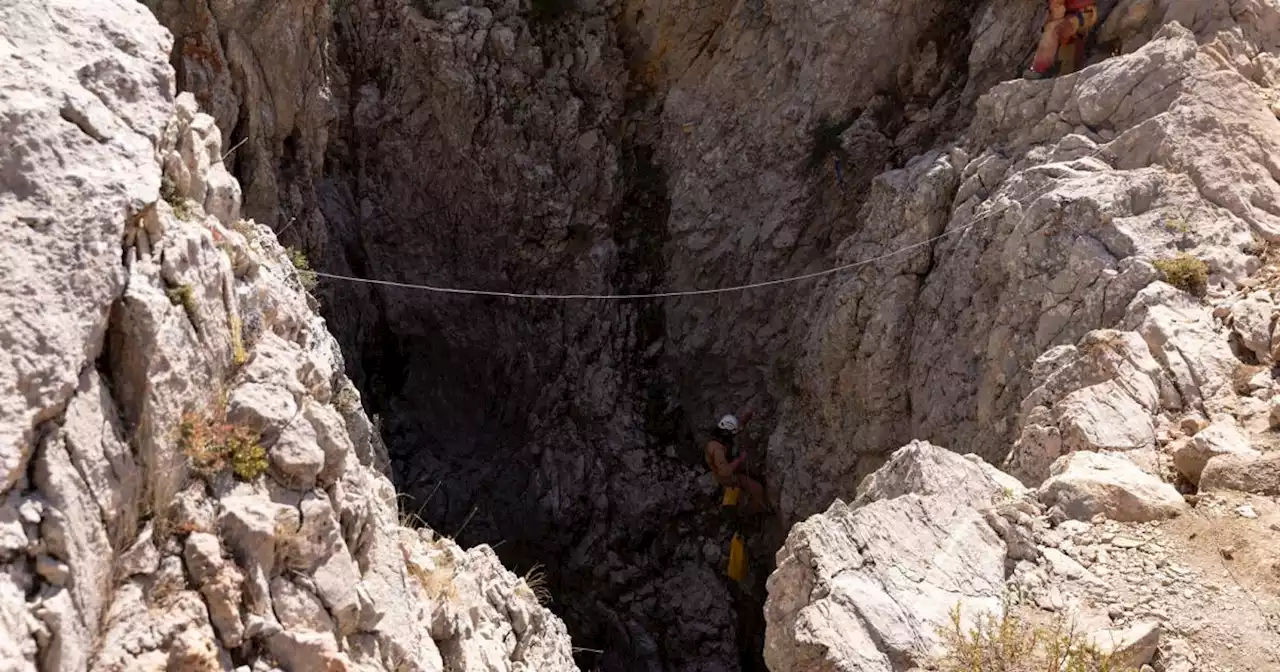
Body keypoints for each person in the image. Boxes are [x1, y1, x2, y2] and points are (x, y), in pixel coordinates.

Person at [704, 411, 767, 515]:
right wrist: (740, 459)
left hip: (724, 471)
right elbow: (725, 471)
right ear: (726, 432)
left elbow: (735, 430)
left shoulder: (720, 437)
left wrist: (745, 419)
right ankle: (754, 511)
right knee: (756, 489)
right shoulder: (717, 450)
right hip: (727, 477)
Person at [1025, 0, 1098, 80]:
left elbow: (1058, 10)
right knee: (1066, 37)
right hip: (1084, 13)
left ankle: (1039, 69)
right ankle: (1069, 70)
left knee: (1054, 29)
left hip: (1082, 14)